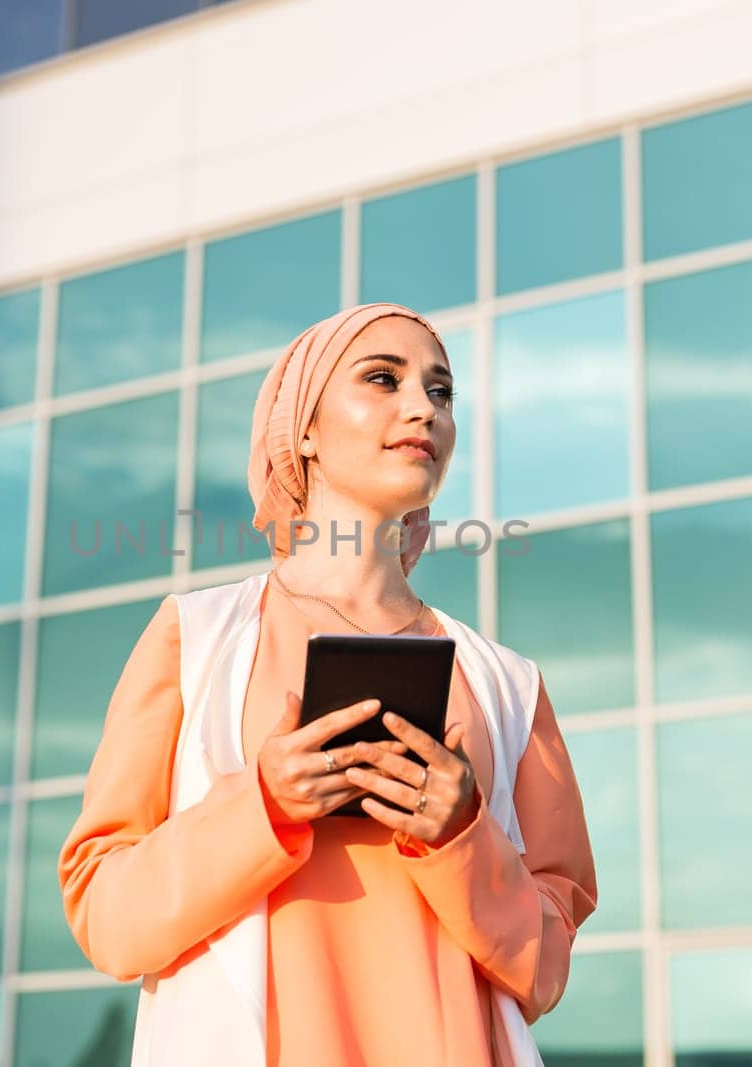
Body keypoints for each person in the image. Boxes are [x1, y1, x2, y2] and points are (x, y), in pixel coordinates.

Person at [57, 302, 598, 1066]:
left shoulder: (507, 684)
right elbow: (107, 916)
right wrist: (264, 803)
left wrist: (460, 831)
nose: (423, 407)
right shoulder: (196, 637)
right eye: (384, 378)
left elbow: (543, 967)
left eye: (441, 392)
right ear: (303, 427)